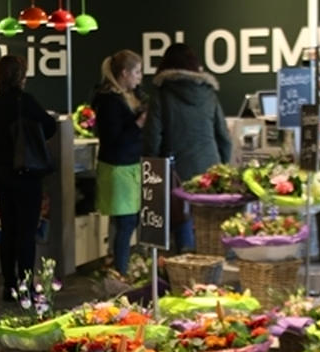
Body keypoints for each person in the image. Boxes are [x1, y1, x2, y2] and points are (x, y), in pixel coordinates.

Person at [143, 43, 232, 253]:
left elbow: (153, 135)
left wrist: (151, 164)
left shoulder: (162, 93)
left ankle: (185, 266)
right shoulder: (209, 93)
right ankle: (210, 267)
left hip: (176, 168)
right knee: (206, 220)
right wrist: (222, 166)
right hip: (210, 167)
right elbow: (224, 136)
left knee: (180, 214)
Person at [0, 54, 57, 301]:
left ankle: (8, 284)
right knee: (26, 231)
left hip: (2, 172)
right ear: (21, 76)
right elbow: (50, 126)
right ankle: (25, 283)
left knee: (8, 229)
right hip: (26, 172)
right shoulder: (25, 101)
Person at [92, 49, 146, 275]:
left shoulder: (131, 97)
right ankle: (120, 273)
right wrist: (139, 122)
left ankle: (116, 267)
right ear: (124, 73)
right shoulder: (108, 101)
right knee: (126, 223)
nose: (140, 77)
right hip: (118, 168)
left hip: (130, 166)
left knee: (125, 222)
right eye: (137, 72)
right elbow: (113, 137)